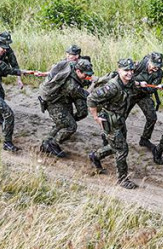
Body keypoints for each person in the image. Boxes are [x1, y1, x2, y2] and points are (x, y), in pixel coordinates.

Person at [87, 58, 139, 189]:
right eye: (126, 70)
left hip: (120, 119)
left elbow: (132, 84)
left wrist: (140, 83)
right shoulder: (112, 87)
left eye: (131, 70)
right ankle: (122, 180)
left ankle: (95, 156)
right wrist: (96, 117)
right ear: (119, 70)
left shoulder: (129, 81)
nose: (129, 73)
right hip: (109, 120)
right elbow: (91, 99)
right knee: (122, 149)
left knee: (117, 145)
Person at [39, 58, 94, 157]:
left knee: (64, 121)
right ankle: (52, 144)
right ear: (78, 71)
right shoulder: (72, 86)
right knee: (71, 126)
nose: (87, 77)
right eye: (85, 75)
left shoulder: (73, 65)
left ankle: (47, 140)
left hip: (62, 98)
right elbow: (86, 95)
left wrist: (88, 80)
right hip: (54, 102)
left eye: (89, 75)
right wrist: (94, 84)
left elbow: (81, 82)